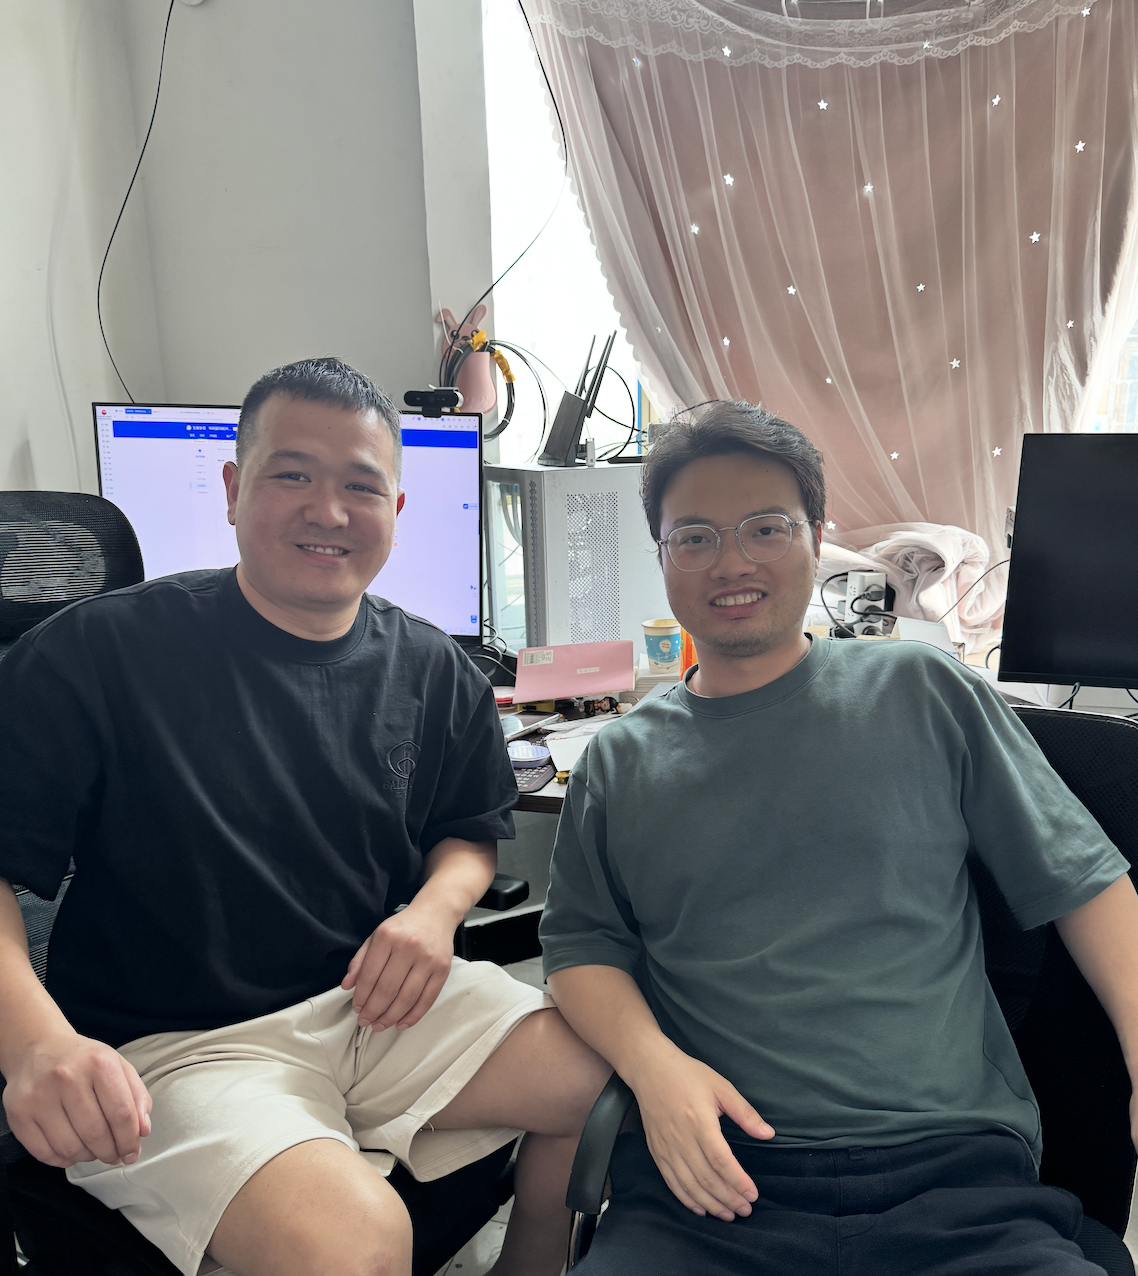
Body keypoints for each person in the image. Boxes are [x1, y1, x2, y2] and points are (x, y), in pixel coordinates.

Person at [0, 357, 609, 1276]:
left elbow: (468, 832)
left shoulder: (430, 667)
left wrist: (433, 912)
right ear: (233, 490)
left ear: (395, 511)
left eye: (360, 486)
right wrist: (33, 1044)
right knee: (357, 1242)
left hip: (374, 1009)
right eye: (292, 475)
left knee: (605, 1082)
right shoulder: (96, 653)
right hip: (181, 1046)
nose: (328, 511)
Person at [539, 399, 1138, 1276]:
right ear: (662, 555)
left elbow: (1085, 883)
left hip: (955, 1179)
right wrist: (654, 1068)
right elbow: (580, 948)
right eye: (695, 537)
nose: (732, 562)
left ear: (818, 537)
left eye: (766, 528)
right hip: (709, 1185)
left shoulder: (922, 691)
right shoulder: (619, 761)